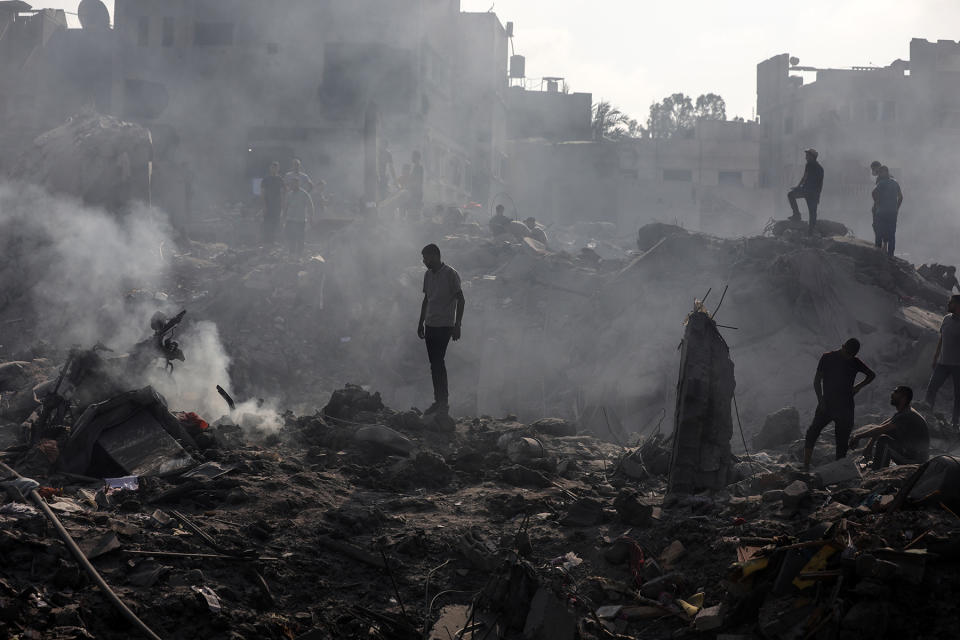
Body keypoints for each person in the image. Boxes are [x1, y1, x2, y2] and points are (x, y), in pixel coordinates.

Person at [803, 338, 876, 468]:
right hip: (827, 404)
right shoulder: (827, 357)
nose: (849, 357)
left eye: (851, 355)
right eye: (847, 354)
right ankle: (806, 466)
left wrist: (858, 387)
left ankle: (838, 472)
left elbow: (871, 375)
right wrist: (820, 401)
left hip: (845, 407)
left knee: (842, 443)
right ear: (842, 347)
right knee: (812, 433)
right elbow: (817, 381)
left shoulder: (855, 361)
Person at [417, 244, 465, 416]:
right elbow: (426, 300)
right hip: (430, 324)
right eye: (423, 258)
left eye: (427, 258)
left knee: (438, 362)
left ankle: (442, 402)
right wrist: (420, 322)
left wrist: (457, 325)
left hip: (445, 325)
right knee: (435, 364)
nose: (424, 261)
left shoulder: (451, 274)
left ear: (436, 256)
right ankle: (439, 401)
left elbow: (461, 299)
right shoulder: (428, 275)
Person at [850, 386, 929, 469]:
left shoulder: (906, 415)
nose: (892, 394)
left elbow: (881, 429)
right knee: (885, 434)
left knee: (884, 441)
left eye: (895, 392)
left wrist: (858, 437)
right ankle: (878, 464)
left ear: (903, 397)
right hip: (911, 454)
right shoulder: (903, 412)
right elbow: (882, 427)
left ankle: (879, 468)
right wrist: (870, 444)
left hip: (916, 460)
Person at [924, 294, 960, 430]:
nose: (948, 304)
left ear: (957, 305)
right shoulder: (946, 319)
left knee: (958, 395)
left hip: (958, 366)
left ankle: (955, 423)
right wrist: (935, 356)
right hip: (943, 363)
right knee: (931, 389)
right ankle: (926, 416)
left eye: (951, 302)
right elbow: (941, 338)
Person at [787, 148, 824, 233]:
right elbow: (806, 178)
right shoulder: (814, 166)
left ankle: (799, 218)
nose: (806, 157)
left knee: (812, 212)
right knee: (812, 213)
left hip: (810, 192)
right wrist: (798, 187)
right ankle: (799, 217)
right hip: (809, 191)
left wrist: (798, 187)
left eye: (807, 155)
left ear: (812, 157)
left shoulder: (814, 167)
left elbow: (807, 179)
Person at [871, 166, 903, 257]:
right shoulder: (895, 183)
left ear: (882, 173)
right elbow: (901, 197)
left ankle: (878, 255)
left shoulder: (881, 183)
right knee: (891, 234)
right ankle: (891, 256)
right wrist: (896, 208)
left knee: (879, 233)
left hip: (881, 212)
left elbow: (873, 193)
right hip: (892, 212)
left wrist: (877, 203)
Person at [283, 176, 314, 256]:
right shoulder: (289, 194)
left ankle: (300, 252)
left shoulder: (304, 194)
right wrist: (283, 217)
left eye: (294, 184)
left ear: (298, 184)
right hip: (290, 219)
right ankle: (292, 252)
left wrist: (311, 217)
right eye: (291, 184)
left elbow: (310, 206)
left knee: (300, 237)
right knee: (291, 236)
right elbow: (286, 206)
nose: (293, 186)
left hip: (300, 220)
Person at [261, 161, 285, 245]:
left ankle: (273, 241)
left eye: (276, 167)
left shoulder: (280, 179)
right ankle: (266, 241)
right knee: (267, 223)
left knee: (275, 223)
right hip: (268, 205)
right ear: (270, 168)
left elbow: (282, 193)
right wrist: (264, 205)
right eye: (272, 167)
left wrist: (282, 205)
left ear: (278, 169)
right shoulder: (266, 179)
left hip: (277, 205)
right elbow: (263, 193)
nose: (274, 169)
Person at [869, 160, 882, 248]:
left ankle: (879, 246)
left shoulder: (880, 178)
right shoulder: (889, 177)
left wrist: (875, 206)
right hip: (885, 206)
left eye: (873, 168)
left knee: (877, 226)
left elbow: (876, 194)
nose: (872, 171)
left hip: (880, 207)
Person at [409, 150, 424, 217]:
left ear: (417, 157)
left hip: (417, 192)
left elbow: (418, 181)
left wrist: (410, 185)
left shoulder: (419, 167)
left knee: (415, 209)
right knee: (414, 209)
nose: (412, 158)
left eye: (413, 156)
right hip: (416, 191)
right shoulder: (416, 167)